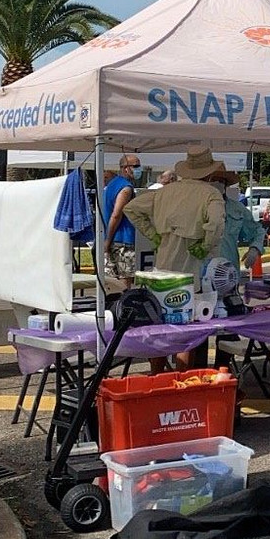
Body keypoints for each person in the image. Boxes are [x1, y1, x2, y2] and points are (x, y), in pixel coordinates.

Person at [124, 146, 227, 371]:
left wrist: (153, 235)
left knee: (160, 329)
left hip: (162, 269)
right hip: (193, 271)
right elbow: (217, 223)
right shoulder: (211, 194)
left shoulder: (164, 191)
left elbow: (131, 209)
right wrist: (206, 244)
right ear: (209, 172)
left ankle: (157, 375)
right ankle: (181, 380)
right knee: (186, 333)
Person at [103, 154, 142, 286]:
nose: (139, 169)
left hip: (113, 239)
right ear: (126, 168)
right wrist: (108, 241)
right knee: (125, 280)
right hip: (123, 240)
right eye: (136, 166)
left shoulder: (111, 184)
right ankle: (122, 306)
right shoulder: (125, 188)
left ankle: (113, 305)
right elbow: (116, 214)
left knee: (112, 281)